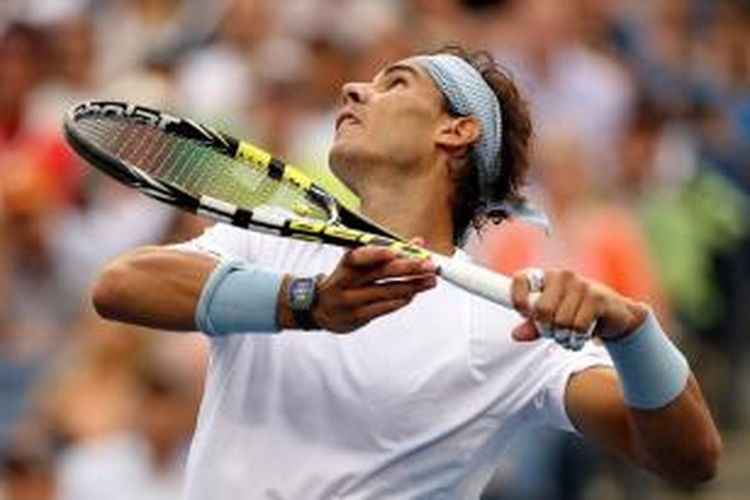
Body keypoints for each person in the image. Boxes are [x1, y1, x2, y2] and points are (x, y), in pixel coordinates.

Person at [92, 46, 720, 499]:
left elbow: (689, 457)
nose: (354, 91)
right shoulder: (266, 246)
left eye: (395, 84)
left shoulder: (507, 328)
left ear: (457, 130)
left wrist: (631, 331)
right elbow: (119, 286)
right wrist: (305, 303)